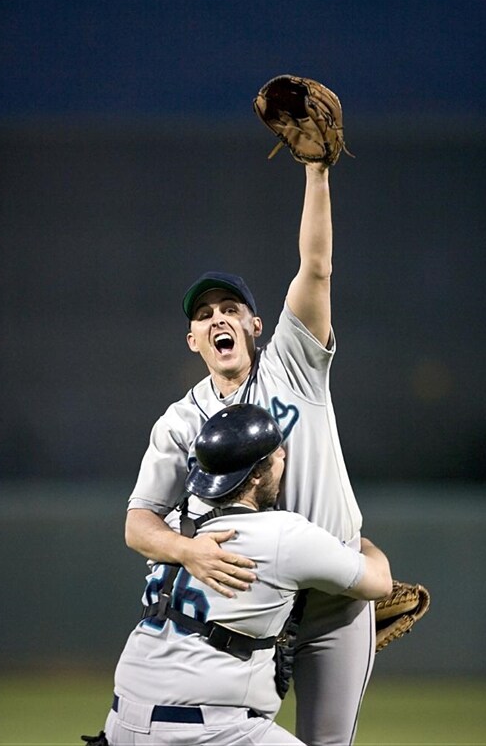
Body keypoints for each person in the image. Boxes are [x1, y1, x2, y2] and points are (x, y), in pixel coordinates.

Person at [125, 161, 373, 746]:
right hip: (256, 603)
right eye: (204, 315)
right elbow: (138, 524)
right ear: (193, 341)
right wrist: (186, 550)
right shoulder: (182, 421)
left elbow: (316, 267)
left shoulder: (293, 362)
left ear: (256, 325)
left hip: (336, 594)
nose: (219, 319)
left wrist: (316, 172)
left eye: (230, 309)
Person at [102, 404, 392, 746]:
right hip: (204, 731)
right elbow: (379, 582)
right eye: (277, 454)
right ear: (256, 475)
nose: (283, 457)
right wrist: (364, 545)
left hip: (122, 722)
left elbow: (138, 529)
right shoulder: (283, 535)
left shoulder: (175, 525)